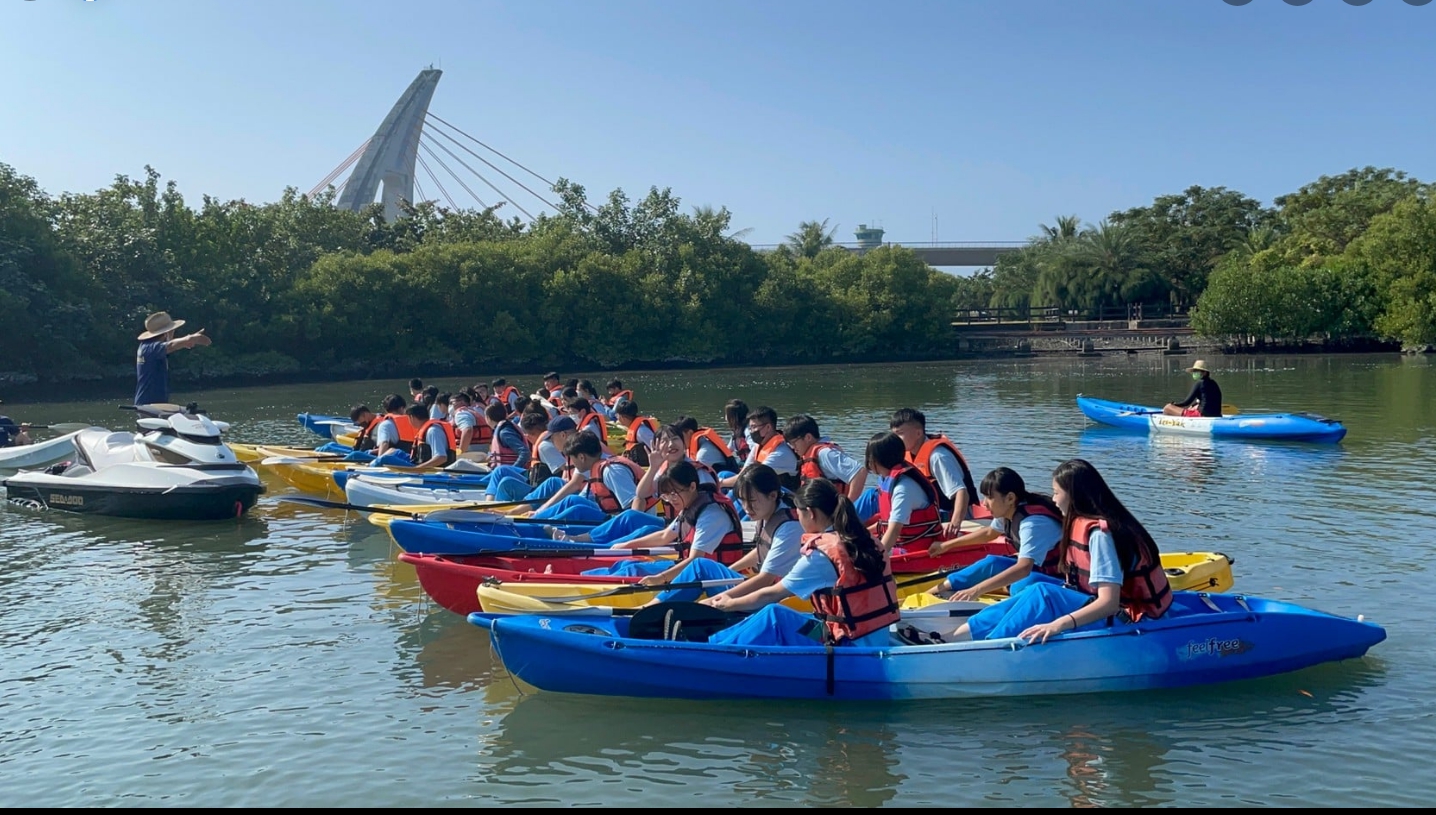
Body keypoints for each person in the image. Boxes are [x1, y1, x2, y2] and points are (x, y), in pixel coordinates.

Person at [951, 459, 1173, 643]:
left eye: (1056, 492)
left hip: (1129, 619)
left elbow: (1109, 604)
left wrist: (1058, 624)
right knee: (1035, 588)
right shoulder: (1079, 524)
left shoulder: (1100, 535)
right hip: (1093, 603)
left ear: (1074, 495)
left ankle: (986, 648)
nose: (1053, 499)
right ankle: (953, 637)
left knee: (1044, 595)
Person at [707, 477, 900, 648]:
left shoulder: (821, 555)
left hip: (848, 645)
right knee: (801, 618)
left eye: (799, 514)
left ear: (810, 513)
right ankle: (715, 642)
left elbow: (770, 595)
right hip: (872, 636)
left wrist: (730, 603)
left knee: (775, 615)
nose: (799, 519)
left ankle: (714, 650)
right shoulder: (866, 539)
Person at [590, 461, 746, 590]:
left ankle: (593, 586)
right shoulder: (692, 505)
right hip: (688, 568)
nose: (671, 499)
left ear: (692, 487)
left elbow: (695, 560)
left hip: (713, 578)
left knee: (633, 570)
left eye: (674, 493)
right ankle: (587, 579)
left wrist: (661, 578)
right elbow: (665, 536)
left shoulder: (711, 513)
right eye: (666, 495)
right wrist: (627, 545)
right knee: (627, 564)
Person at [926, 467, 1064, 601]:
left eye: (989, 497)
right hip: (1039, 568)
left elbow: (1023, 568)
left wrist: (976, 590)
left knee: (1020, 584)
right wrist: (946, 546)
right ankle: (928, 594)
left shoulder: (1033, 524)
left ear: (1010, 498)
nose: (984, 503)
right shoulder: (1008, 511)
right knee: (991, 562)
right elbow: (989, 533)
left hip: (1060, 578)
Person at [888, 408, 978, 535]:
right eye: (894, 434)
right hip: (930, 512)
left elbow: (961, 493)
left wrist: (955, 525)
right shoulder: (908, 453)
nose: (895, 439)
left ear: (918, 433)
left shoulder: (938, 457)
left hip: (948, 515)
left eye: (900, 433)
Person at [530, 430, 649, 522]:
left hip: (627, 520)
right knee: (574, 500)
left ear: (582, 457)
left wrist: (626, 535)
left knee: (578, 510)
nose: (572, 463)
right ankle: (537, 518)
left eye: (572, 459)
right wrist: (542, 511)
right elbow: (582, 497)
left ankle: (538, 526)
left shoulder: (611, 471)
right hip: (612, 515)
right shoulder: (595, 466)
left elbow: (636, 505)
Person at [865, 431, 943, 554]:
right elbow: (887, 524)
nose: (868, 462)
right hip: (899, 541)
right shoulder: (888, 479)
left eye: (870, 457)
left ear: (877, 459)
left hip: (912, 549)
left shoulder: (903, 488)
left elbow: (894, 530)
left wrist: (878, 560)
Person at [134, 311, 212, 407]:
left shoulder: (147, 346)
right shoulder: (152, 348)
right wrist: (189, 338)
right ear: (165, 332)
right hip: (150, 405)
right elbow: (170, 345)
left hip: (151, 403)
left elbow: (170, 344)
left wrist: (185, 342)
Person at [784, 414, 868, 501]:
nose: (793, 448)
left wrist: (847, 506)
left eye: (794, 443)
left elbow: (859, 472)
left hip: (832, 511)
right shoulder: (808, 455)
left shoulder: (825, 453)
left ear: (808, 437)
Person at [718, 405, 799, 492]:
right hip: (761, 487)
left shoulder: (781, 453)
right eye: (750, 427)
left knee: (738, 490)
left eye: (754, 427)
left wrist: (719, 483)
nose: (751, 431)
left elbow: (746, 479)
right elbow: (744, 473)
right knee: (723, 474)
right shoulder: (758, 446)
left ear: (768, 427)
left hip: (781, 496)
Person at [673, 415, 739, 472]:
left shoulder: (703, 455)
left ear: (690, 433)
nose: (677, 441)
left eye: (680, 436)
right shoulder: (702, 442)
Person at [408, 404, 456, 469]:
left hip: (434, 473)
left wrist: (417, 469)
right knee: (393, 452)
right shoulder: (429, 429)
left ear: (411, 417)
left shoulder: (433, 431)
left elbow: (441, 458)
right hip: (420, 464)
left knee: (390, 457)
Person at [615, 400, 660, 466]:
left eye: (617, 416)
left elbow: (658, 449)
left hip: (646, 466)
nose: (617, 418)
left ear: (622, 417)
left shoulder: (641, 431)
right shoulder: (634, 427)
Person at [484, 403, 530, 468]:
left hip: (509, 474)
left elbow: (525, 452)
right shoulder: (501, 430)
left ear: (488, 418)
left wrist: (512, 470)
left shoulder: (504, 433)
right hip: (499, 471)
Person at [723, 399, 751, 463]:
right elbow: (727, 450)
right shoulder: (736, 432)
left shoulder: (748, 431)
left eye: (727, 414)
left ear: (734, 417)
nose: (725, 418)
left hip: (751, 466)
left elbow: (755, 451)